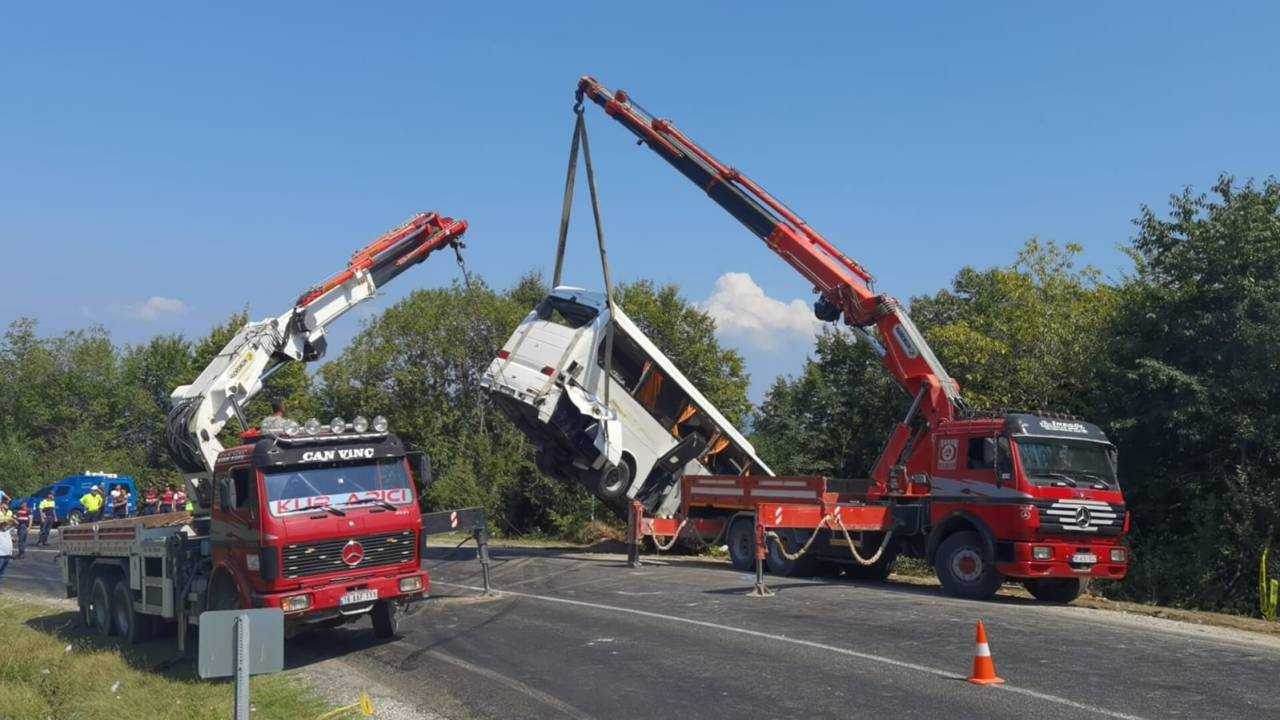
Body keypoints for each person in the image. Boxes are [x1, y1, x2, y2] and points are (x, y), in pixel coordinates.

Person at [0, 513, 12, 581]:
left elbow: (16, 523)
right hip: (1, 555)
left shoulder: (7, 530)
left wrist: (9, 519)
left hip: (8, 554)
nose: (5, 525)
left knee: (2, 573)